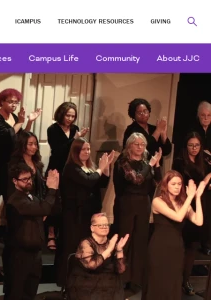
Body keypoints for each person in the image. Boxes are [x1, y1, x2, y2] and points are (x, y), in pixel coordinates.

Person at [141, 172, 205, 300]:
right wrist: (190, 197)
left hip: (176, 248)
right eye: (173, 184)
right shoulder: (158, 201)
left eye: (179, 184)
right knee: (153, 287)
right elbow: (177, 217)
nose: (177, 187)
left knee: (171, 288)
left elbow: (199, 221)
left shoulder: (183, 203)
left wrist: (197, 197)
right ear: (166, 185)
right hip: (158, 248)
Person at [3, 163, 59, 300]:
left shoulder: (32, 198)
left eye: (30, 178)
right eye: (24, 179)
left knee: (29, 296)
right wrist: (52, 189)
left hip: (35, 254)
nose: (28, 182)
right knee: (14, 296)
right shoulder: (15, 201)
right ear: (15, 181)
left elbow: (46, 209)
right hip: (18, 255)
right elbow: (43, 209)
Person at [0, 88, 41, 252]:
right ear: (2, 101)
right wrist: (20, 122)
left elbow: (21, 138)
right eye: (10, 102)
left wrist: (29, 121)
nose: (14, 105)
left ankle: (11, 233)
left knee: (11, 198)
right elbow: (5, 137)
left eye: (16, 102)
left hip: (11, 163)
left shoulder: (15, 118)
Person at [55, 138, 113, 285]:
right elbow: (88, 181)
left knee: (86, 247)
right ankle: (67, 282)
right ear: (76, 152)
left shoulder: (89, 167)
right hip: (75, 216)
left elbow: (100, 183)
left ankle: (82, 281)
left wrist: (106, 167)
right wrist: (100, 169)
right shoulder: (71, 168)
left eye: (88, 149)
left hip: (88, 215)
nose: (87, 152)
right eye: (83, 149)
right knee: (73, 247)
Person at [113, 132, 163, 289]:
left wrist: (157, 164)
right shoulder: (123, 162)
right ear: (129, 145)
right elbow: (136, 179)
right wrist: (151, 164)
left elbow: (158, 181)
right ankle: (121, 276)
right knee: (125, 238)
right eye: (137, 144)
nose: (140, 147)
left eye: (143, 144)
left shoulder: (146, 162)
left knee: (140, 239)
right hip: (127, 202)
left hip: (143, 202)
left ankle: (136, 278)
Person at [45, 101, 89, 249]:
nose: (70, 119)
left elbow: (75, 150)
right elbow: (58, 150)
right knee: (54, 202)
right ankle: (51, 234)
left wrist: (78, 140)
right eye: (67, 115)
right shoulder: (52, 129)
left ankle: (64, 233)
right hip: (56, 168)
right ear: (61, 114)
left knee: (68, 201)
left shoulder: (75, 129)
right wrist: (74, 139)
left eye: (73, 116)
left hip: (70, 169)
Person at [172, 132, 211, 288]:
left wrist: (207, 182)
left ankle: (185, 280)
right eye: (191, 145)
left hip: (200, 203)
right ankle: (175, 279)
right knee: (182, 243)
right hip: (185, 202)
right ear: (186, 146)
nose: (194, 148)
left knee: (193, 245)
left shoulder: (204, 161)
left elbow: (206, 180)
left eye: (197, 145)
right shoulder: (180, 162)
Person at [122, 98, 172, 162]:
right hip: (138, 165)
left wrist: (163, 134)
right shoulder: (131, 130)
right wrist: (158, 130)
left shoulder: (153, 128)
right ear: (134, 115)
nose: (143, 114)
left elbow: (166, 151)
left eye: (145, 111)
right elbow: (147, 147)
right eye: (139, 112)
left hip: (156, 165)